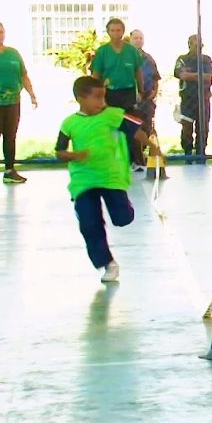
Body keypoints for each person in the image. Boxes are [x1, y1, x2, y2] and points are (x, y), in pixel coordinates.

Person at [55, 76, 161, 282]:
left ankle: (125, 207)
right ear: (80, 98)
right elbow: (59, 151)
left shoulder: (113, 115)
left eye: (103, 97)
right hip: (83, 181)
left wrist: (153, 146)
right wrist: (73, 156)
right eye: (96, 98)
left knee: (122, 218)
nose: (101, 102)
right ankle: (107, 263)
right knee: (89, 223)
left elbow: (136, 132)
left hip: (111, 177)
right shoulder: (69, 123)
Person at [90, 18, 144, 168]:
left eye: (118, 30)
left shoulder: (131, 51)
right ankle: (110, 160)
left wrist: (141, 89)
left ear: (123, 31)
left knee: (130, 127)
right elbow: (96, 74)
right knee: (110, 127)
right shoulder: (102, 52)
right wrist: (96, 94)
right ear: (108, 32)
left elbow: (138, 71)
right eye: (112, 30)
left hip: (127, 93)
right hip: (109, 94)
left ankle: (132, 160)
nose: (115, 33)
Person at [0, 22, 38, 184]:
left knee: (10, 137)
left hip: (13, 102)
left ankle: (10, 171)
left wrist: (31, 94)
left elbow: (23, 75)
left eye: (0, 32)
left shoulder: (13, 54)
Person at [174, 35, 212, 164]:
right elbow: (181, 74)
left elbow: (209, 77)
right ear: (190, 45)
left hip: (204, 98)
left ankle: (200, 154)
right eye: (195, 44)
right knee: (186, 128)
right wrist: (199, 76)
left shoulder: (206, 60)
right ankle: (187, 154)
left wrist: (191, 75)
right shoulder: (182, 59)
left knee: (203, 128)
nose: (199, 46)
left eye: (200, 44)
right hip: (187, 99)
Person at [131, 29, 161, 171]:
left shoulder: (148, 58)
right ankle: (135, 159)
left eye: (140, 38)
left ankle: (143, 155)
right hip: (131, 99)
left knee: (146, 128)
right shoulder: (127, 57)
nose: (138, 40)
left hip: (147, 100)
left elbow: (155, 77)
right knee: (133, 130)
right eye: (135, 38)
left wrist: (154, 91)